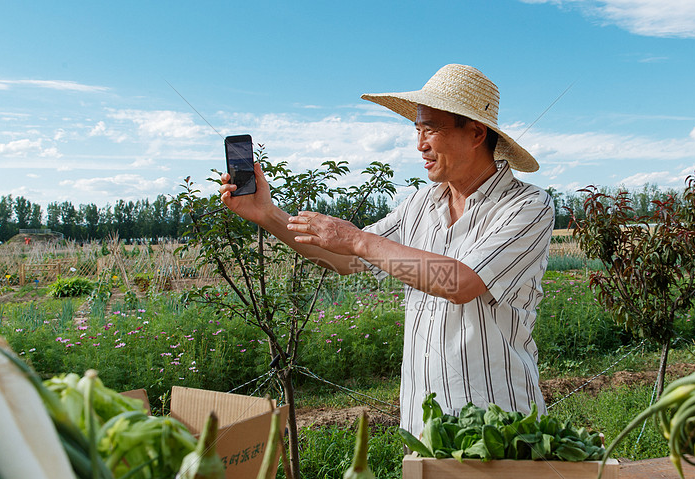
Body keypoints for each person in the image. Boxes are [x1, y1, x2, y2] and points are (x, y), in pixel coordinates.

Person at [219, 64, 554, 436]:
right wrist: (267, 214)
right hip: (424, 426)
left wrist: (358, 238)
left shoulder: (526, 205)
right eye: (417, 129)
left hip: (499, 423)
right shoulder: (421, 204)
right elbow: (347, 261)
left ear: (475, 133)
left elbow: (460, 282)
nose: (420, 144)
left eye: (431, 129)